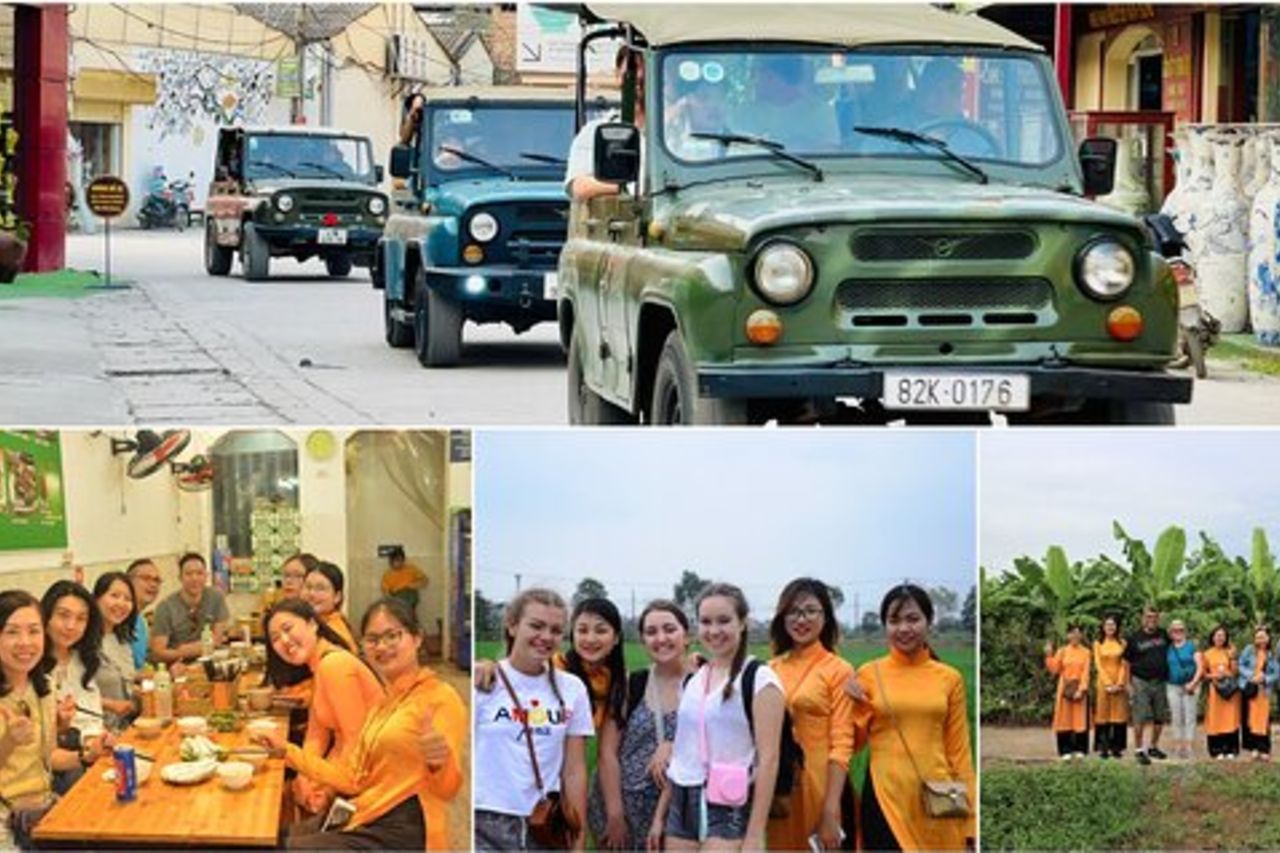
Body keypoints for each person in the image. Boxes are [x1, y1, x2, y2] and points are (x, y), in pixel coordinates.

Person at [255, 598, 466, 850]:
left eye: (392, 635)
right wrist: (287, 751)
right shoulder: (385, 705)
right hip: (368, 813)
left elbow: (448, 790)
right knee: (271, 839)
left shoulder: (440, 697)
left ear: (417, 638)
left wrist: (438, 762)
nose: (382, 646)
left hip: (408, 830)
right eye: (373, 640)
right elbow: (352, 778)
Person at [844, 585, 974, 851]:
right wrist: (857, 706)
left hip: (938, 799)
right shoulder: (869, 674)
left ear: (929, 622)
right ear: (885, 626)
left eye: (913, 619)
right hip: (885, 797)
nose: (904, 628)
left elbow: (959, 753)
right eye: (894, 620)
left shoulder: (949, 678)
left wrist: (972, 823)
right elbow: (853, 746)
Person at [660, 583, 783, 852]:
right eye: (706, 622)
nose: (714, 631)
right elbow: (683, 751)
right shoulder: (695, 678)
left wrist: (754, 836)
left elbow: (769, 760)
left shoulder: (760, 679)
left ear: (742, 623)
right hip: (682, 796)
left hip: (728, 801)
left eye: (724, 621)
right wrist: (660, 816)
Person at [473, 588, 592, 850]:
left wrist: (578, 837)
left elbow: (574, 770)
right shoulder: (482, 682)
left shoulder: (572, 689)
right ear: (512, 625)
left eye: (556, 630)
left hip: (543, 824)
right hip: (485, 824)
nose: (546, 637)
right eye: (536, 626)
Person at [261, 599, 384, 817]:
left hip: (373, 783)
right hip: (347, 770)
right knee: (283, 795)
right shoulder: (320, 666)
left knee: (271, 807)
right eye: (275, 639)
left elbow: (356, 745)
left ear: (313, 624)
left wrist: (326, 789)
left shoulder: (335, 665)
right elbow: (317, 734)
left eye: (288, 629)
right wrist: (304, 776)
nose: (285, 641)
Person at [765, 578, 855, 851]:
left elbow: (842, 745)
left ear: (825, 616)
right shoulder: (770, 668)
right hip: (779, 785)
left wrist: (830, 811)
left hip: (821, 785)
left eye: (810, 611)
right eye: (793, 611)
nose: (800, 619)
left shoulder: (839, 671)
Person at [595, 600, 687, 850]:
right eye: (651, 632)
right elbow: (607, 752)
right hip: (620, 807)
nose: (661, 638)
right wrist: (614, 814)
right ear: (643, 640)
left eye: (669, 629)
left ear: (686, 635)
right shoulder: (632, 684)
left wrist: (673, 745)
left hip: (675, 811)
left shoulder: (702, 686)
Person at [0, 591, 84, 849]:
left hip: (41, 811)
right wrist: (9, 742)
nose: (25, 642)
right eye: (12, 632)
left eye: (33, 631)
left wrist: (87, 755)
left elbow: (48, 758)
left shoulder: (44, 687)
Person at [39, 581, 113, 794]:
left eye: (81, 618)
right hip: (60, 768)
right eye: (63, 615)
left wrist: (99, 741)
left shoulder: (83, 659)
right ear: (46, 617)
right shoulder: (32, 666)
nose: (71, 626)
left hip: (89, 753)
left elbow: (93, 717)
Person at [565, 45, 646, 202]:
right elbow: (579, 187)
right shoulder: (595, 131)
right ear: (618, 75)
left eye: (647, 68)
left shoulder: (678, 130)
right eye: (633, 68)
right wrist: (632, 187)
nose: (640, 75)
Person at [150, 552, 230, 665]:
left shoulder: (216, 597)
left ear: (206, 576)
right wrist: (183, 653)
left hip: (211, 663)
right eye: (188, 574)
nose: (194, 578)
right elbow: (158, 653)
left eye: (199, 573)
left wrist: (188, 649)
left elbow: (217, 638)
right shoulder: (165, 607)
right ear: (180, 578)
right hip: (178, 666)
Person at [1123, 606, 1171, 765]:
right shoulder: (1134, 638)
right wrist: (1127, 683)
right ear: (1143, 618)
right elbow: (1126, 662)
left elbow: (1177, 645)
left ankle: (1153, 746)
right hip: (1140, 681)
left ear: (1158, 619)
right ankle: (1139, 750)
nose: (1151, 620)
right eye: (1148, 617)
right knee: (1140, 716)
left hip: (1160, 681)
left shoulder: (1164, 634)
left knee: (1160, 716)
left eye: (1154, 617)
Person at [92, 572, 139, 732]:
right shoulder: (85, 642)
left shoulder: (122, 640)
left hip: (127, 727)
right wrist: (111, 705)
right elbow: (73, 695)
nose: (121, 603)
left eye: (128, 599)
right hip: (99, 732)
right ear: (96, 598)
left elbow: (127, 682)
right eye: (114, 595)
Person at [1044, 624, 1090, 760]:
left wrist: (1081, 689)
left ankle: (1080, 748)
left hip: (1079, 687)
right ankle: (1065, 749)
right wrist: (1048, 655)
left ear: (1081, 636)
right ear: (1068, 636)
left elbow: (1086, 672)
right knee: (1064, 719)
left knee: (1079, 719)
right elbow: (1055, 670)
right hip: (1064, 688)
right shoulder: (1062, 651)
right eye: (1072, 633)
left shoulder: (1086, 652)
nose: (1075, 636)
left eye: (1078, 633)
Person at [1238, 625, 1279, 761]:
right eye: (1258, 637)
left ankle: (1264, 748)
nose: (1260, 640)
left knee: (1263, 720)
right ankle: (1253, 747)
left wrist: (1265, 678)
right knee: (1250, 719)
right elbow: (1240, 665)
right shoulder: (1249, 650)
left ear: (1268, 638)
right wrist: (1252, 676)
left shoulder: (1271, 653)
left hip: (1263, 691)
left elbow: (1277, 673)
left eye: (1263, 637)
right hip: (1250, 689)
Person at [1092, 615, 1129, 759]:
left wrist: (1119, 682)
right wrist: (1108, 683)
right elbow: (1098, 664)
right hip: (1103, 682)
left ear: (1117, 627)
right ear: (1103, 627)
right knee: (1103, 715)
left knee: (1118, 715)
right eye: (1107, 625)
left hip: (1119, 682)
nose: (1110, 627)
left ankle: (1117, 747)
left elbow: (1124, 663)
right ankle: (1103, 747)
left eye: (1113, 625)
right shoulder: (1098, 643)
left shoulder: (1123, 643)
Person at [1201, 625, 1240, 759]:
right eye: (1217, 635)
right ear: (1212, 637)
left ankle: (1230, 749)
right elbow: (1203, 674)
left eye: (1222, 635)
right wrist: (1214, 676)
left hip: (1229, 691)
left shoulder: (1229, 651)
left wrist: (1233, 658)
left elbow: (1235, 672)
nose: (1220, 638)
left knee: (1230, 719)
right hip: (1215, 690)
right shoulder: (1206, 654)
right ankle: (1216, 750)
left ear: (1226, 638)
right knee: (1215, 719)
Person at [1165, 619, 1201, 761]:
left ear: (1184, 631)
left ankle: (1189, 747)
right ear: (1170, 632)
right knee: (1176, 717)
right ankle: (1178, 746)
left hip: (1191, 686)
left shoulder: (1192, 646)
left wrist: (1193, 683)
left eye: (1180, 629)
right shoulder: (1168, 648)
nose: (1178, 632)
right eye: (1175, 630)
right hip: (1173, 685)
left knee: (1189, 717)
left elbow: (1200, 666)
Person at [303, 562, 358, 652]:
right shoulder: (312, 623)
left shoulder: (336, 631)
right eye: (308, 587)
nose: (311, 594)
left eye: (320, 588)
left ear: (337, 597)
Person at [125, 557, 162, 670]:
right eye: (146, 578)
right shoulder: (119, 619)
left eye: (157, 580)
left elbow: (142, 663)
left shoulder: (141, 621)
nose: (153, 584)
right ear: (128, 581)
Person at [381, 547, 427, 612]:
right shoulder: (388, 574)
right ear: (391, 561)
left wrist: (414, 585)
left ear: (403, 560)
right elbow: (386, 593)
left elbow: (425, 580)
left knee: (410, 618)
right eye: (395, 560)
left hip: (411, 602)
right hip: (397, 603)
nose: (398, 563)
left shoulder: (411, 569)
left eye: (400, 560)